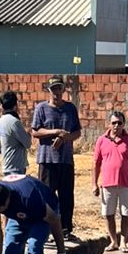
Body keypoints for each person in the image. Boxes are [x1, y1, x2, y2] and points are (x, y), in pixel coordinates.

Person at [30, 78, 81, 235]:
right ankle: (47, 229)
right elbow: (35, 131)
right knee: (47, 197)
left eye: (59, 89)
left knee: (66, 197)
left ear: (64, 89)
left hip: (65, 160)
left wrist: (65, 137)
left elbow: (77, 132)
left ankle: (65, 229)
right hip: (47, 160)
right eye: (54, 89)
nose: (57, 92)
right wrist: (55, 132)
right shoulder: (42, 108)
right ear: (49, 90)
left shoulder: (70, 108)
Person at [92, 109, 128, 251]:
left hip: (126, 184)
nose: (116, 126)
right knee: (108, 213)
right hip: (107, 183)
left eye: (119, 123)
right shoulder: (101, 140)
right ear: (109, 124)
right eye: (114, 123)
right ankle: (113, 241)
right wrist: (94, 184)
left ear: (124, 124)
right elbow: (96, 164)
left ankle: (124, 241)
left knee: (126, 213)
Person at [0, 91, 32, 177]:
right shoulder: (14, 122)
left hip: (6, 164)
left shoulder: (1, 120)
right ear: (15, 106)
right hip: (15, 167)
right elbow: (28, 143)